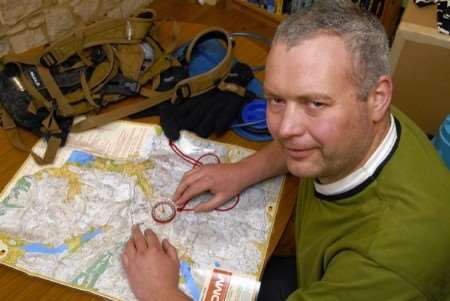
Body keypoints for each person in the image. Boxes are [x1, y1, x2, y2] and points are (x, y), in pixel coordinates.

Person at [121, 0, 450, 300]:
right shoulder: (365, 116)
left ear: (378, 98)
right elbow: (296, 134)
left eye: (315, 103)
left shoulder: (384, 264)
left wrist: (159, 290)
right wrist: (243, 170)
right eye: (277, 99)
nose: (285, 128)